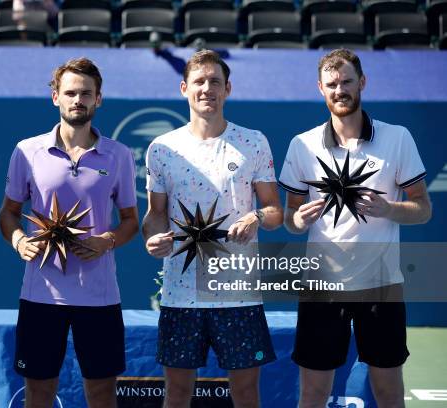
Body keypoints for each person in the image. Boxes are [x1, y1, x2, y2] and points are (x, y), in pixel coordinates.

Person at [278, 48, 432, 408]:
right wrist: (301, 219)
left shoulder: (398, 138)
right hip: (321, 287)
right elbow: (291, 219)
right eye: (332, 84)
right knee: (313, 394)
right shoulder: (303, 145)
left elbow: (423, 208)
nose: (340, 89)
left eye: (347, 81)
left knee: (389, 394)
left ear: (362, 82)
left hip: (381, 286)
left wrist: (389, 207)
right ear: (320, 88)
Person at [142, 49, 283, 408]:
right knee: (176, 394)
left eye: (215, 82)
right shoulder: (161, 148)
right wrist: (152, 237)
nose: (207, 88)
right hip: (179, 292)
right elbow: (155, 213)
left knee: (247, 394)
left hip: (239, 292)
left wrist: (256, 217)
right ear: (184, 88)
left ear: (228, 89)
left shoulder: (254, 142)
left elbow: (274, 211)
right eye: (200, 82)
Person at [0, 57, 139, 408]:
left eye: (86, 94)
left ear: (98, 99)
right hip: (41, 297)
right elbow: (8, 213)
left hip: (100, 298)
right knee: (39, 393)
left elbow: (130, 220)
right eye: (71, 92)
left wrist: (106, 240)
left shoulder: (119, 155)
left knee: (102, 393)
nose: (79, 100)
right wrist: (19, 242)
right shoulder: (26, 151)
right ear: (55, 97)